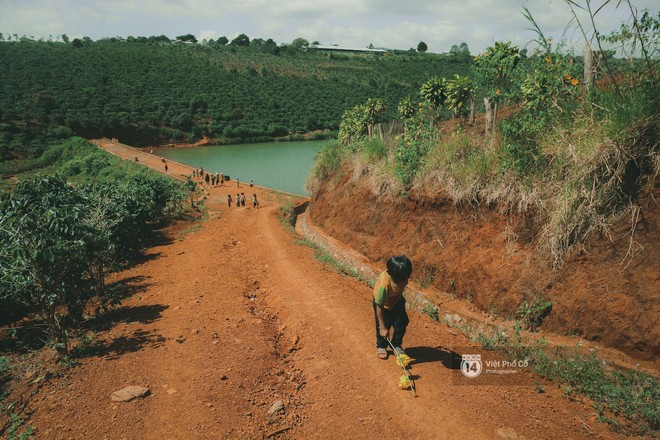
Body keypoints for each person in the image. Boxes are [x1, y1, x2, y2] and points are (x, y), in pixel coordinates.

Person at [373, 255, 413, 360]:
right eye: (403, 279)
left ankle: (396, 344)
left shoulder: (402, 277)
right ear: (394, 277)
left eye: (407, 278)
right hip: (382, 304)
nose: (406, 281)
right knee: (384, 324)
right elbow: (379, 306)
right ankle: (381, 346)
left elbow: (399, 289)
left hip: (397, 300)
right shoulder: (385, 285)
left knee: (402, 322)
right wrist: (382, 327)